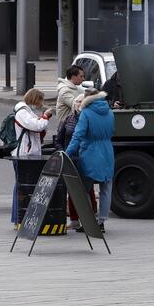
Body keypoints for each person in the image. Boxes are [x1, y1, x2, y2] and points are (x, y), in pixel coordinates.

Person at [65, 89, 113, 232]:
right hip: (107, 151)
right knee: (106, 188)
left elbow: (78, 135)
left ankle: (89, 221)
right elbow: (112, 131)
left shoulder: (86, 113)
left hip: (90, 152)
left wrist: (67, 153)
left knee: (84, 188)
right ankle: (102, 222)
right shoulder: (109, 112)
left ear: (86, 99)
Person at [54, 92, 101, 228]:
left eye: (82, 101)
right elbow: (59, 140)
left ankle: (91, 217)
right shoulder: (68, 120)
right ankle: (74, 220)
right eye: (78, 102)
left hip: (86, 159)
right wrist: (62, 152)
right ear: (74, 105)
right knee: (72, 188)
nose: (80, 104)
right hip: (71, 159)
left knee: (88, 188)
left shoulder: (90, 119)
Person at [11, 88, 54, 227]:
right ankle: (19, 217)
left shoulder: (28, 112)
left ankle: (23, 217)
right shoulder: (22, 112)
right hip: (24, 155)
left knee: (25, 186)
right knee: (22, 186)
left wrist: (43, 119)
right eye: (41, 100)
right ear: (35, 99)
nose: (42, 103)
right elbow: (37, 126)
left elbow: (37, 129)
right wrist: (45, 116)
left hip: (29, 154)